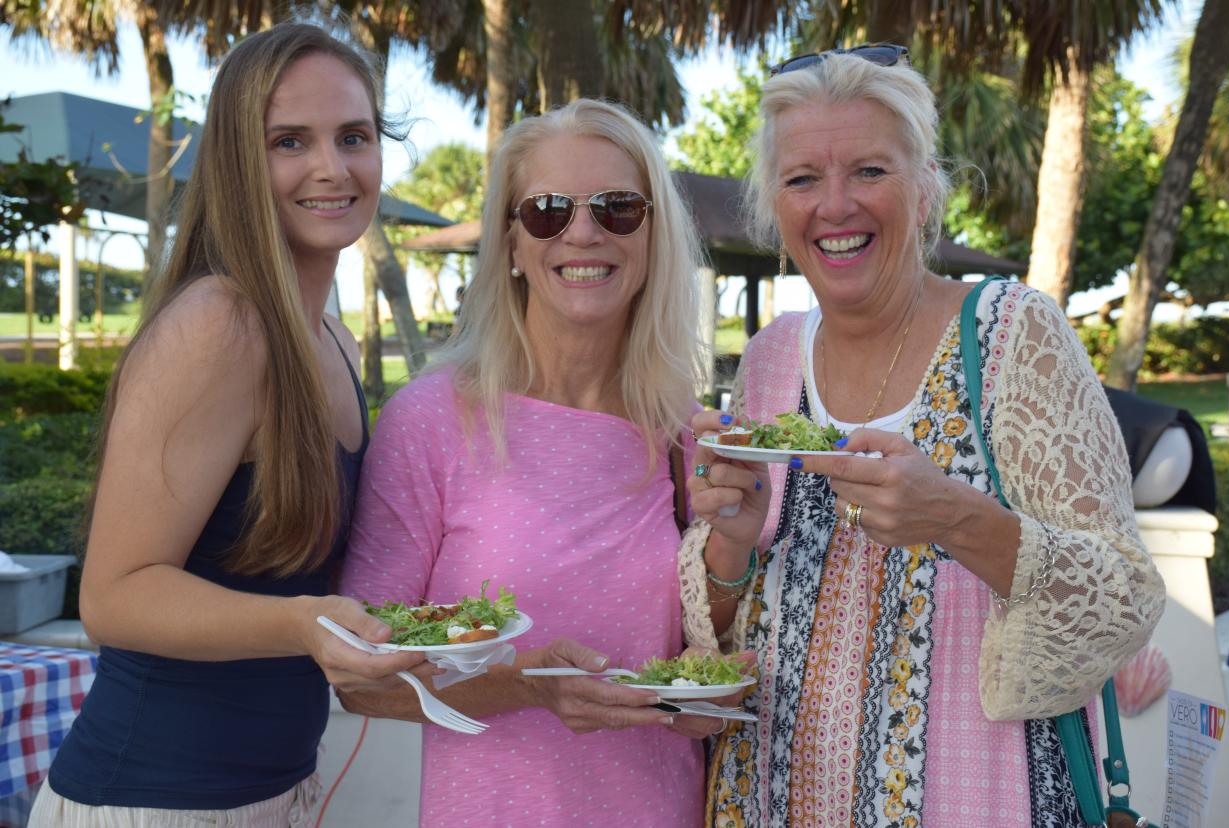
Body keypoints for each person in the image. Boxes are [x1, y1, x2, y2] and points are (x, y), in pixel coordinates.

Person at [681, 45, 1167, 826]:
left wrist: (954, 517)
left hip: (979, 801)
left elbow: (1121, 598)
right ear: (774, 202)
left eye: (870, 171)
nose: (834, 205)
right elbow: (723, 629)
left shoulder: (1012, 334)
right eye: (803, 178)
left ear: (927, 182)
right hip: (774, 797)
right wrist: (730, 547)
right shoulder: (772, 360)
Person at [29, 22, 433, 825]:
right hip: (150, 800)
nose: (331, 167)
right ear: (240, 163)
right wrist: (300, 623)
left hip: (270, 794)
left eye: (353, 136)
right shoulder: (220, 324)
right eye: (290, 141)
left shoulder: (330, 342)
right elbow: (113, 598)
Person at [338, 97, 722, 826]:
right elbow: (361, 681)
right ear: (511, 244)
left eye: (617, 208)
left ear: (653, 237)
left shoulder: (685, 436)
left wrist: (705, 698)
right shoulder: (433, 420)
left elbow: (711, 660)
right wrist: (528, 686)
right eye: (547, 210)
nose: (582, 231)